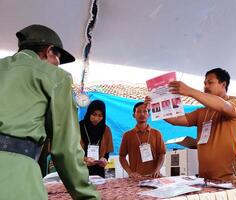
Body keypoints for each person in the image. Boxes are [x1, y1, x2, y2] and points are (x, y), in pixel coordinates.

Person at [0, 24, 99, 199]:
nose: (57, 66)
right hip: (15, 177)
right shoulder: (56, 77)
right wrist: (89, 196)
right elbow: (66, 149)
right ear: (49, 51)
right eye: (58, 59)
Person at [146, 68, 236, 181]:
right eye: (204, 83)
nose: (206, 86)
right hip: (205, 177)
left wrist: (190, 91)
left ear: (223, 84)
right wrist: (156, 106)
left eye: (210, 82)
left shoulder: (234, 102)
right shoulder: (202, 111)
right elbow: (177, 119)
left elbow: (223, 106)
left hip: (229, 176)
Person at [119, 102, 166, 178]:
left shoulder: (157, 133)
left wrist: (157, 170)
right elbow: (122, 157)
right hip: (135, 178)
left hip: (154, 177)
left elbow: (162, 154)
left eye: (145, 111)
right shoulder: (127, 135)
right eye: (139, 111)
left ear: (149, 115)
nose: (142, 114)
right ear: (134, 115)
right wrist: (130, 173)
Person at [80, 100, 114, 178]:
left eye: (100, 115)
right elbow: (73, 150)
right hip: (80, 169)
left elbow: (107, 153)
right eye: (94, 114)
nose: (96, 118)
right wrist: (84, 159)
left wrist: (104, 159)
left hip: (98, 171)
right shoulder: (79, 127)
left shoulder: (106, 129)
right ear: (89, 113)